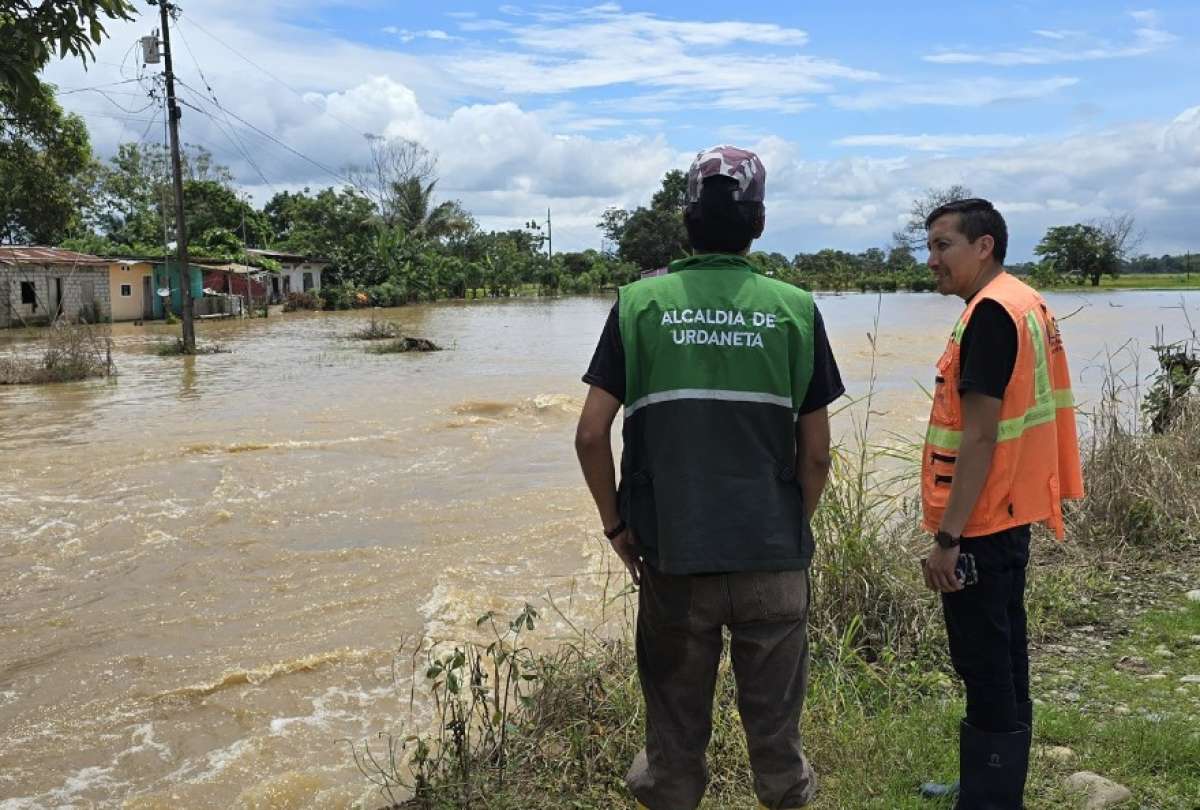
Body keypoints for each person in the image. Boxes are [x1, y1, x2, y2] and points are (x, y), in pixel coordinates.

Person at [574, 145, 845, 810]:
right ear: (758, 224)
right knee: (777, 742)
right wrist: (788, 527)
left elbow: (588, 434)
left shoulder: (640, 305)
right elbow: (816, 454)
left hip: (675, 559)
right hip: (772, 557)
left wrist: (616, 527)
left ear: (686, 220)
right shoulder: (795, 310)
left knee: (674, 742)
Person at [917, 198, 1084, 809]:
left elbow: (981, 435)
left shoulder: (990, 314)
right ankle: (994, 783)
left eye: (943, 245)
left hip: (982, 521)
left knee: (984, 659)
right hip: (1013, 510)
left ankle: (990, 798)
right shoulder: (1025, 301)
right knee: (1005, 652)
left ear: (982, 246)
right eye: (930, 246)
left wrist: (948, 538)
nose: (931, 259)